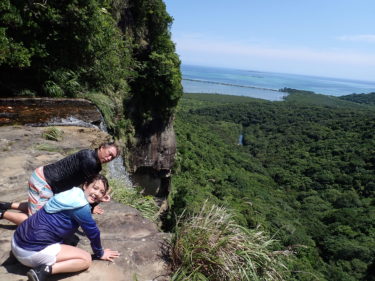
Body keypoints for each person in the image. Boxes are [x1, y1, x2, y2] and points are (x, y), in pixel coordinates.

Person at [11, 174, 120, 281]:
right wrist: (100, 253)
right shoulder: (81, 207)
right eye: (95, 188)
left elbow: (83, 204)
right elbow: (93, 233)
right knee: (85, 259)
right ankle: (43, 271)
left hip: (16, 241)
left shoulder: (72, 193)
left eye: (101, 192)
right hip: (28, 253)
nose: (97, 193)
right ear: (85, 185)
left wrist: (98, 199)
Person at [0, 142, 120, 225]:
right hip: (43, 183)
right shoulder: (90, 161)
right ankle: (2, 214)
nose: (109, 158)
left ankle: (6, 205)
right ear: (102, 147)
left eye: (112, 157)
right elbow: (88, 188)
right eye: (109, 153)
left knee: (44, 206)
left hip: (46, 182)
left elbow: (92, 185)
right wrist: (95, 203)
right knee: (37, 222)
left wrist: (96, 202)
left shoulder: (92, 158)